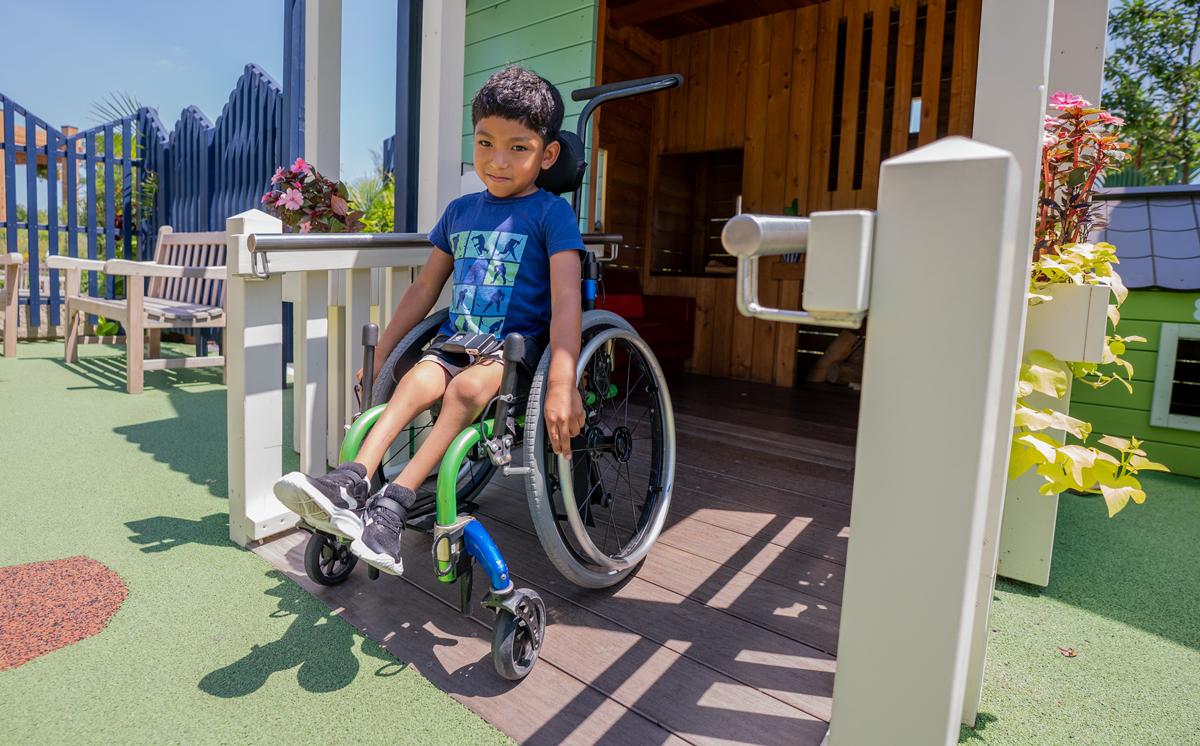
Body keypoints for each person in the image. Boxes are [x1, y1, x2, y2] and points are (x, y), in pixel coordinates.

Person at [272, 66, 586, 576]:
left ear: (547, 155)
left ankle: (394, 504)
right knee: (415, 377)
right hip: (455, 343)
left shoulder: (551, 215)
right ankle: (352, 479)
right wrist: (382, 356)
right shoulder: (460, 211)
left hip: (514, 353)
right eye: (485, 143)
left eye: (518, 148)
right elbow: (424, 288)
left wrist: (562, 383)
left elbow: (567, 299)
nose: (497, 161)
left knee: (463, 393)